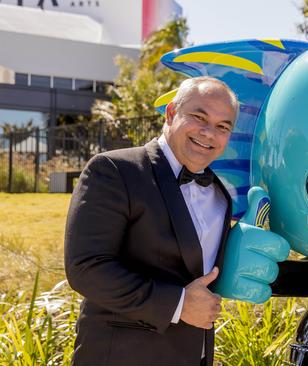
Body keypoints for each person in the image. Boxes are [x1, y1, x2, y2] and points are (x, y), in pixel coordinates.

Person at [64, 76, 239, 366]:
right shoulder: (114, 170)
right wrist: (179, 304)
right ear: (171, 113)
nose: (209, 133)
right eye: (199, 116)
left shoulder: (220, 194)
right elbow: (87, 268)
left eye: (223, 127)